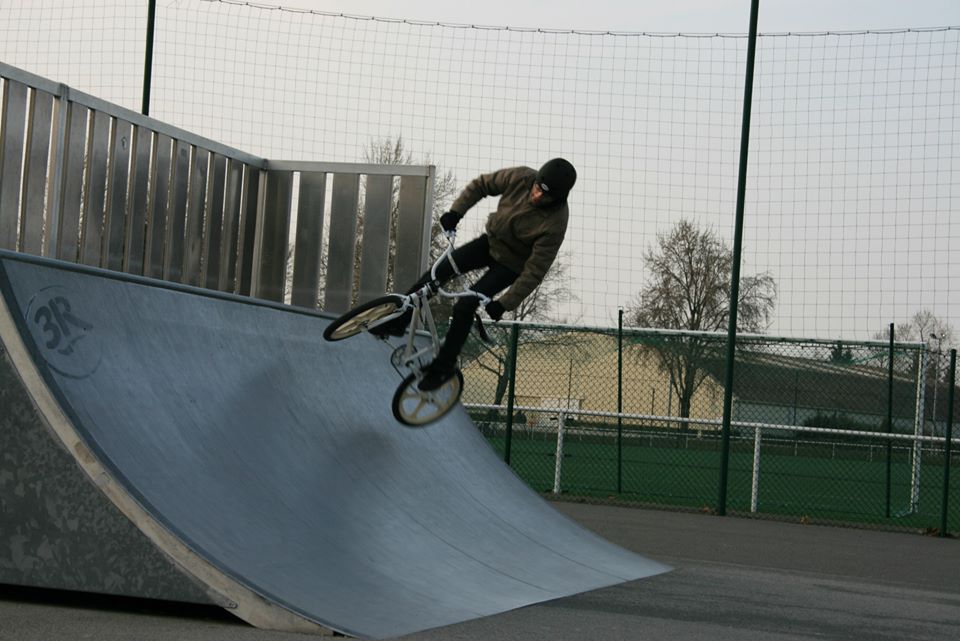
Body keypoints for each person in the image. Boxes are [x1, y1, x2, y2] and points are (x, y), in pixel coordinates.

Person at [372, 157, 577, 391]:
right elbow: (482, 185)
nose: (537, 196)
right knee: (439, 273)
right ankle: (399, 320)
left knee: (465, 305)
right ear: (536, 180)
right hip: (489, 243)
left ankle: (443, 367)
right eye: (538, 189)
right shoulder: (521, 177)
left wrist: (504, 303)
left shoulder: (556, 223)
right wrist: (456, 212)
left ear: (558, 198)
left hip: (511, 265)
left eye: (545, 196)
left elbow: (535, 270)